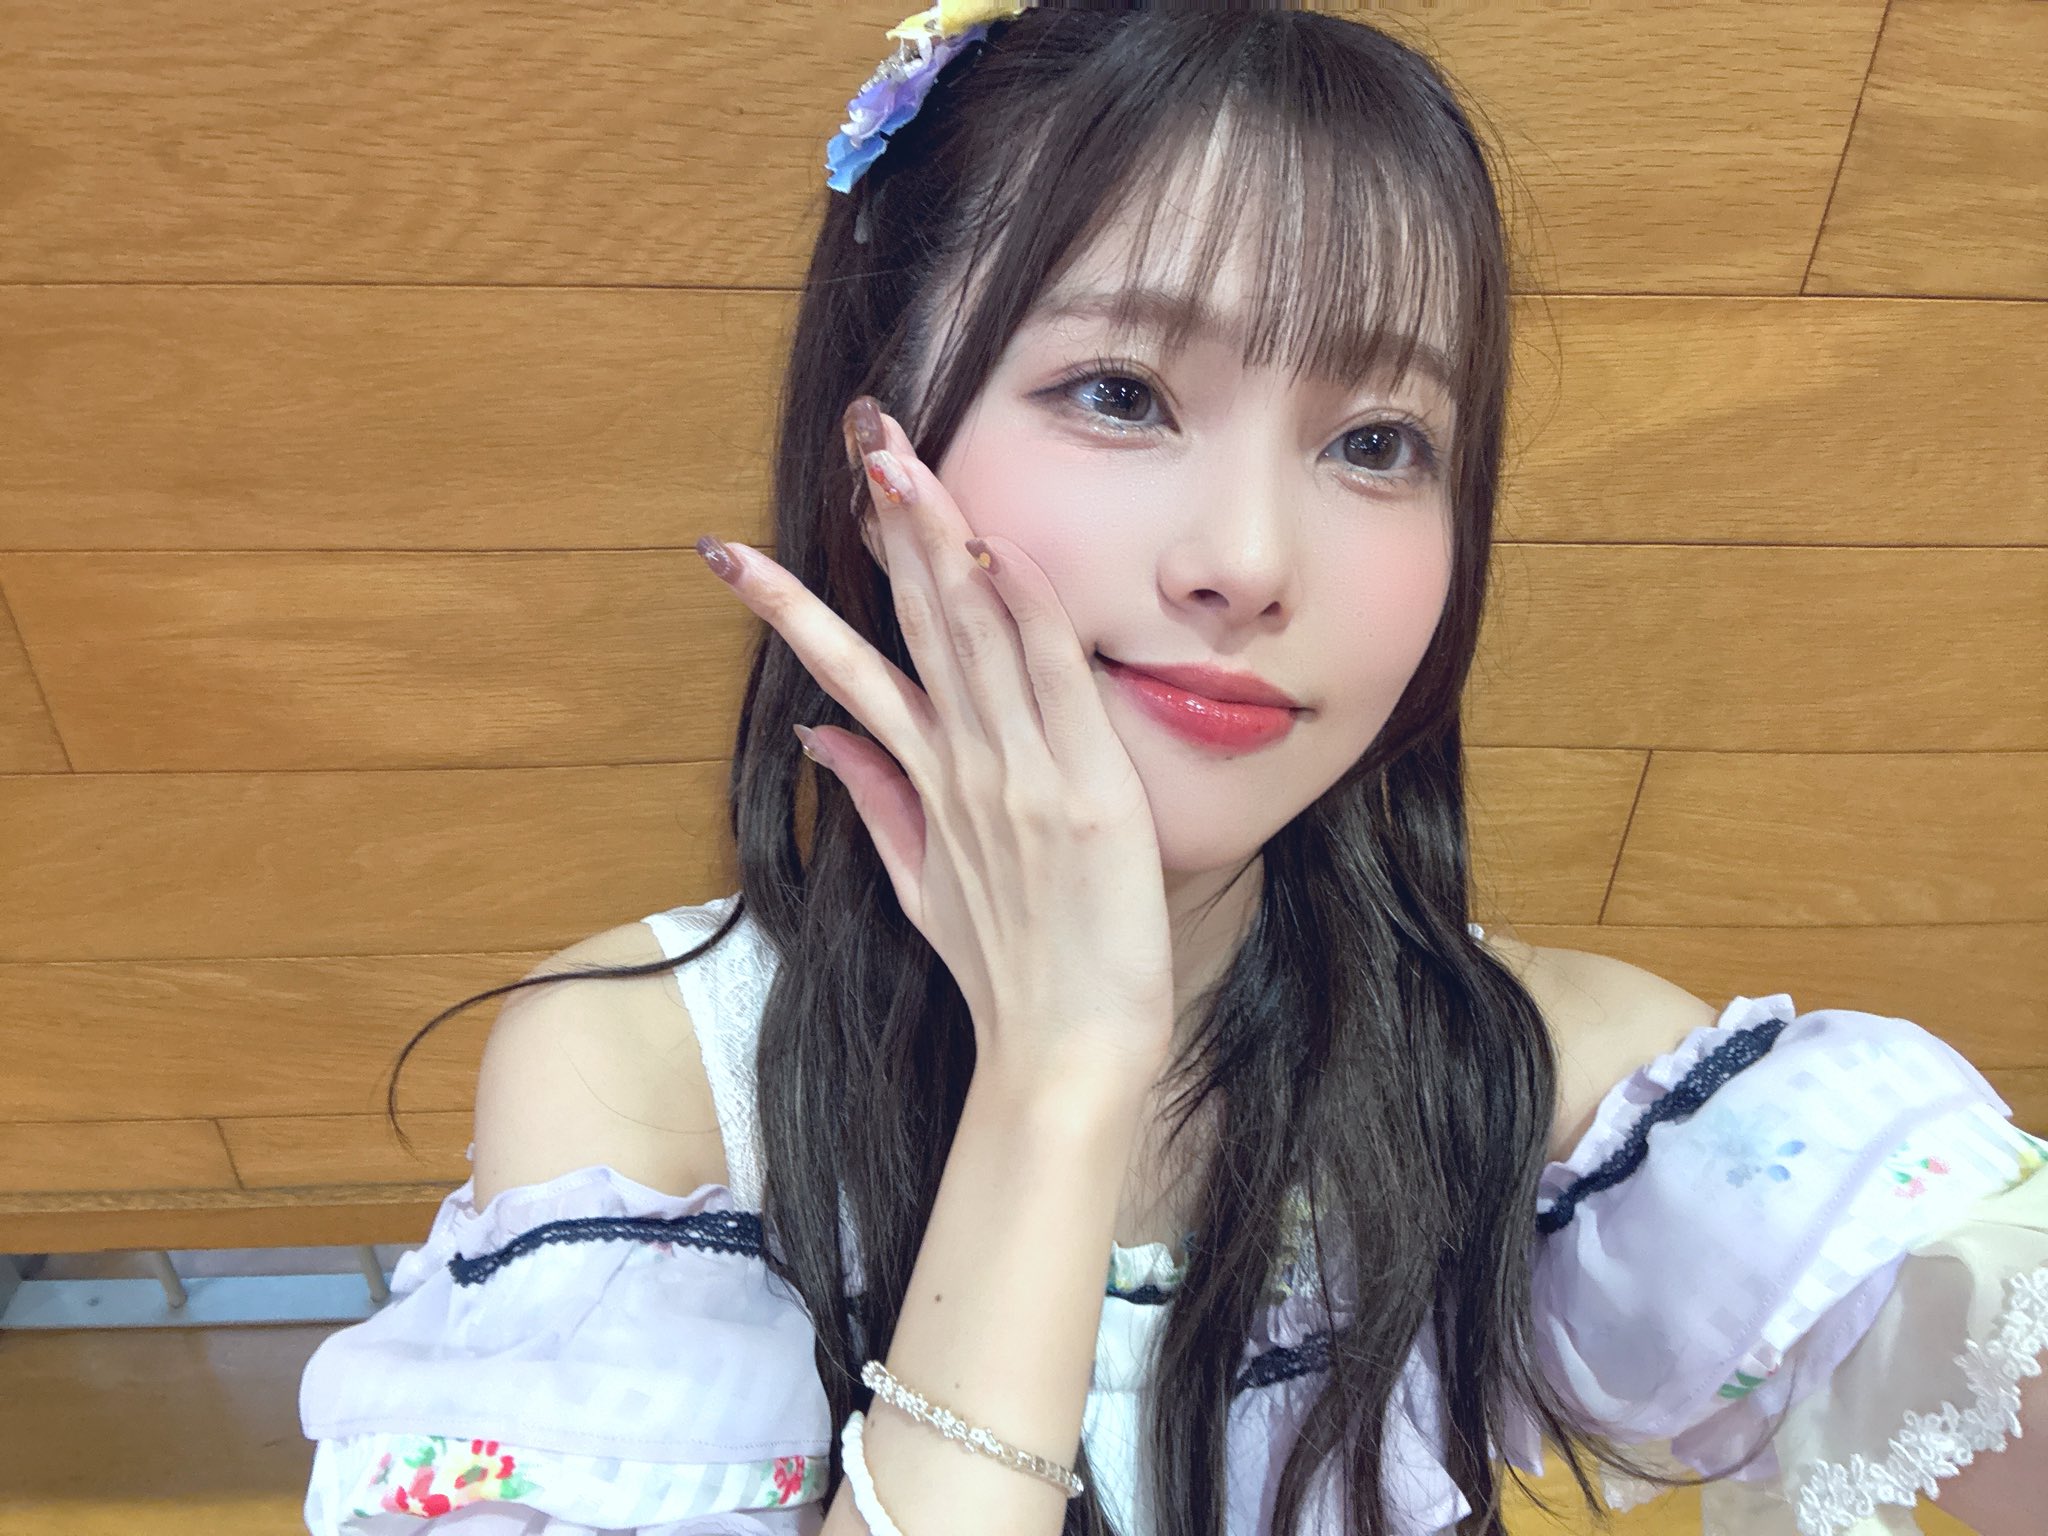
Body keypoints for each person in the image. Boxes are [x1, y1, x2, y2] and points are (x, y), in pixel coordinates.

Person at [297, 5, 2048, 1534]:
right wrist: (1059, 1078)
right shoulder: (655, 1092)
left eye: (1378, 441)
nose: (1249, 560)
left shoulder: (1548, 1078)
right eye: (1123, 393)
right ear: (877, 451)